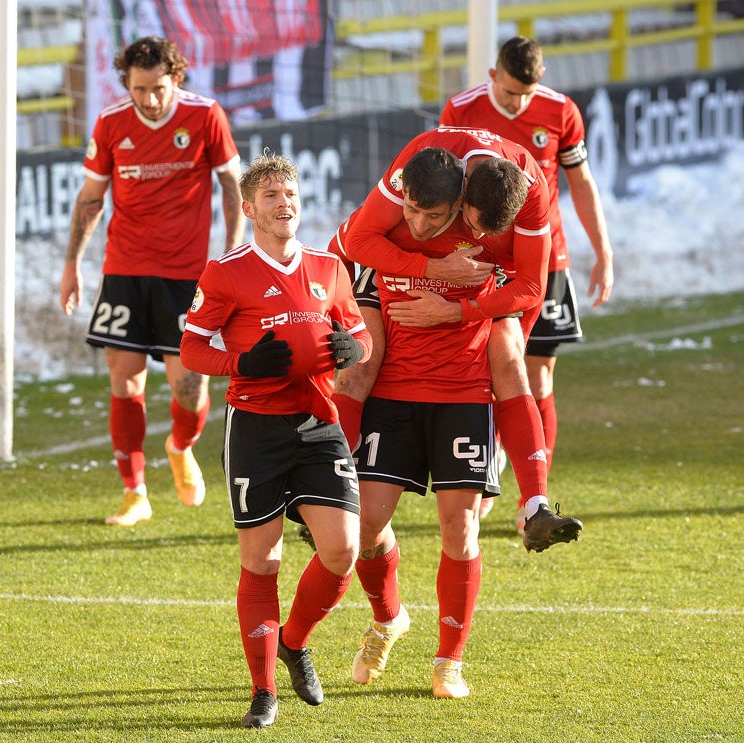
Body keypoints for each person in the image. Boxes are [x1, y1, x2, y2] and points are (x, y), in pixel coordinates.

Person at [180, 152, 373, 728]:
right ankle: (264, 690)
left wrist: (351, 349)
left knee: (341, 550)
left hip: (319, 423)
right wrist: (242, 361)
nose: (283, 203)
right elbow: (192, 348)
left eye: (290, 193)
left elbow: (357, 331)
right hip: (256, 431)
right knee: (262, 562)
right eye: (270, 196)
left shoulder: (328, 267)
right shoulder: (224, 272)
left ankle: (294, 640)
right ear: (249, 208)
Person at [337, 127, 583, 555]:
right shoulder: (423, 163)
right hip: (391, 271)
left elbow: (530, 287)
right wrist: (429, 271)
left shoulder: (531, 191)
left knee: (509, 365)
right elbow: (353, 241)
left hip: (477, 285)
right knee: (360, 367)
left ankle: (537, 504)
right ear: (460, 191)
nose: (478, 235)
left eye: (489, 231)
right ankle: (328, 487)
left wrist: (460, 314)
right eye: (468, 222)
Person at [337, 146, 519, 699]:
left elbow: (517, 303)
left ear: (458, 202)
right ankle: (388, 618)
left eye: (428, 215)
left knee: (460, 528)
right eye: (409, 210)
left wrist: (463, 311)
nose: (416, 224)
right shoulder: (381, 236)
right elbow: (343, 288)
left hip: (464, 397)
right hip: (393, 398)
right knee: (363, 525)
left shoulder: (487, 235)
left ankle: (449, 661)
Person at [59, 36, 245, 526]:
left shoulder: (205, 116)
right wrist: (72, 264)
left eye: (158, 88)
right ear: (127, 83)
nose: (149, 99)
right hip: (124, 269)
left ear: (175, 78)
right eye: (139, 89)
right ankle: (134, 491)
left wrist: (231, 255)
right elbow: (91, 199)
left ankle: (180, 445)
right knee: (125, 379)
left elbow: (231, 186)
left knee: (191, 388)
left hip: (186, 276)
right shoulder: (112, 121)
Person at [440, 36, 614, 524]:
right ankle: (488, 466)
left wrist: (603, 250)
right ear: (494, 76)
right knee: (489, 369)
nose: (519, 104)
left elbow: (580, 182)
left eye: (527, 95)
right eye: (512, 93)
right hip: (483, 259)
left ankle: (531, 501)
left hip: (546, 259)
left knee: (537, 375)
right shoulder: (461, 108)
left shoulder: (560, 112)